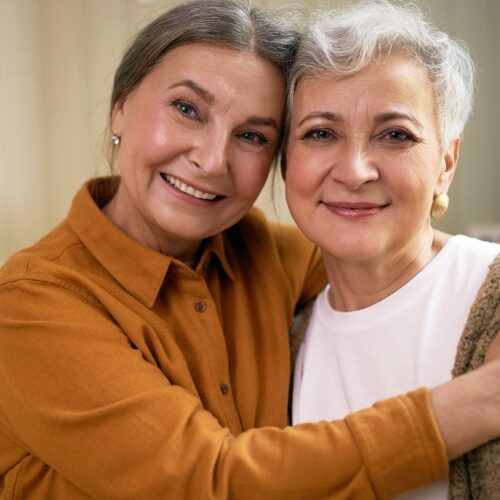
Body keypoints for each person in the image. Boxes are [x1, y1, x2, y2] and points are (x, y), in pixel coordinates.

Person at [0, 1, 499, 499]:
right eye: (187, 109)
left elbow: (394, 257)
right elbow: (213, 482)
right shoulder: (32, 303)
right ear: (121, 106)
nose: (212, 160)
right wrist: (476, 402)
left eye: (252, 135)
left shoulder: (273, 255)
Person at [285, 1, 500, 499]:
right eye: (321, 133)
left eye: (395, 135)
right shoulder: (285, 334)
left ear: (446, 161)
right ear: (285, 162)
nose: (355, 171)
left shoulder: (489, 295)